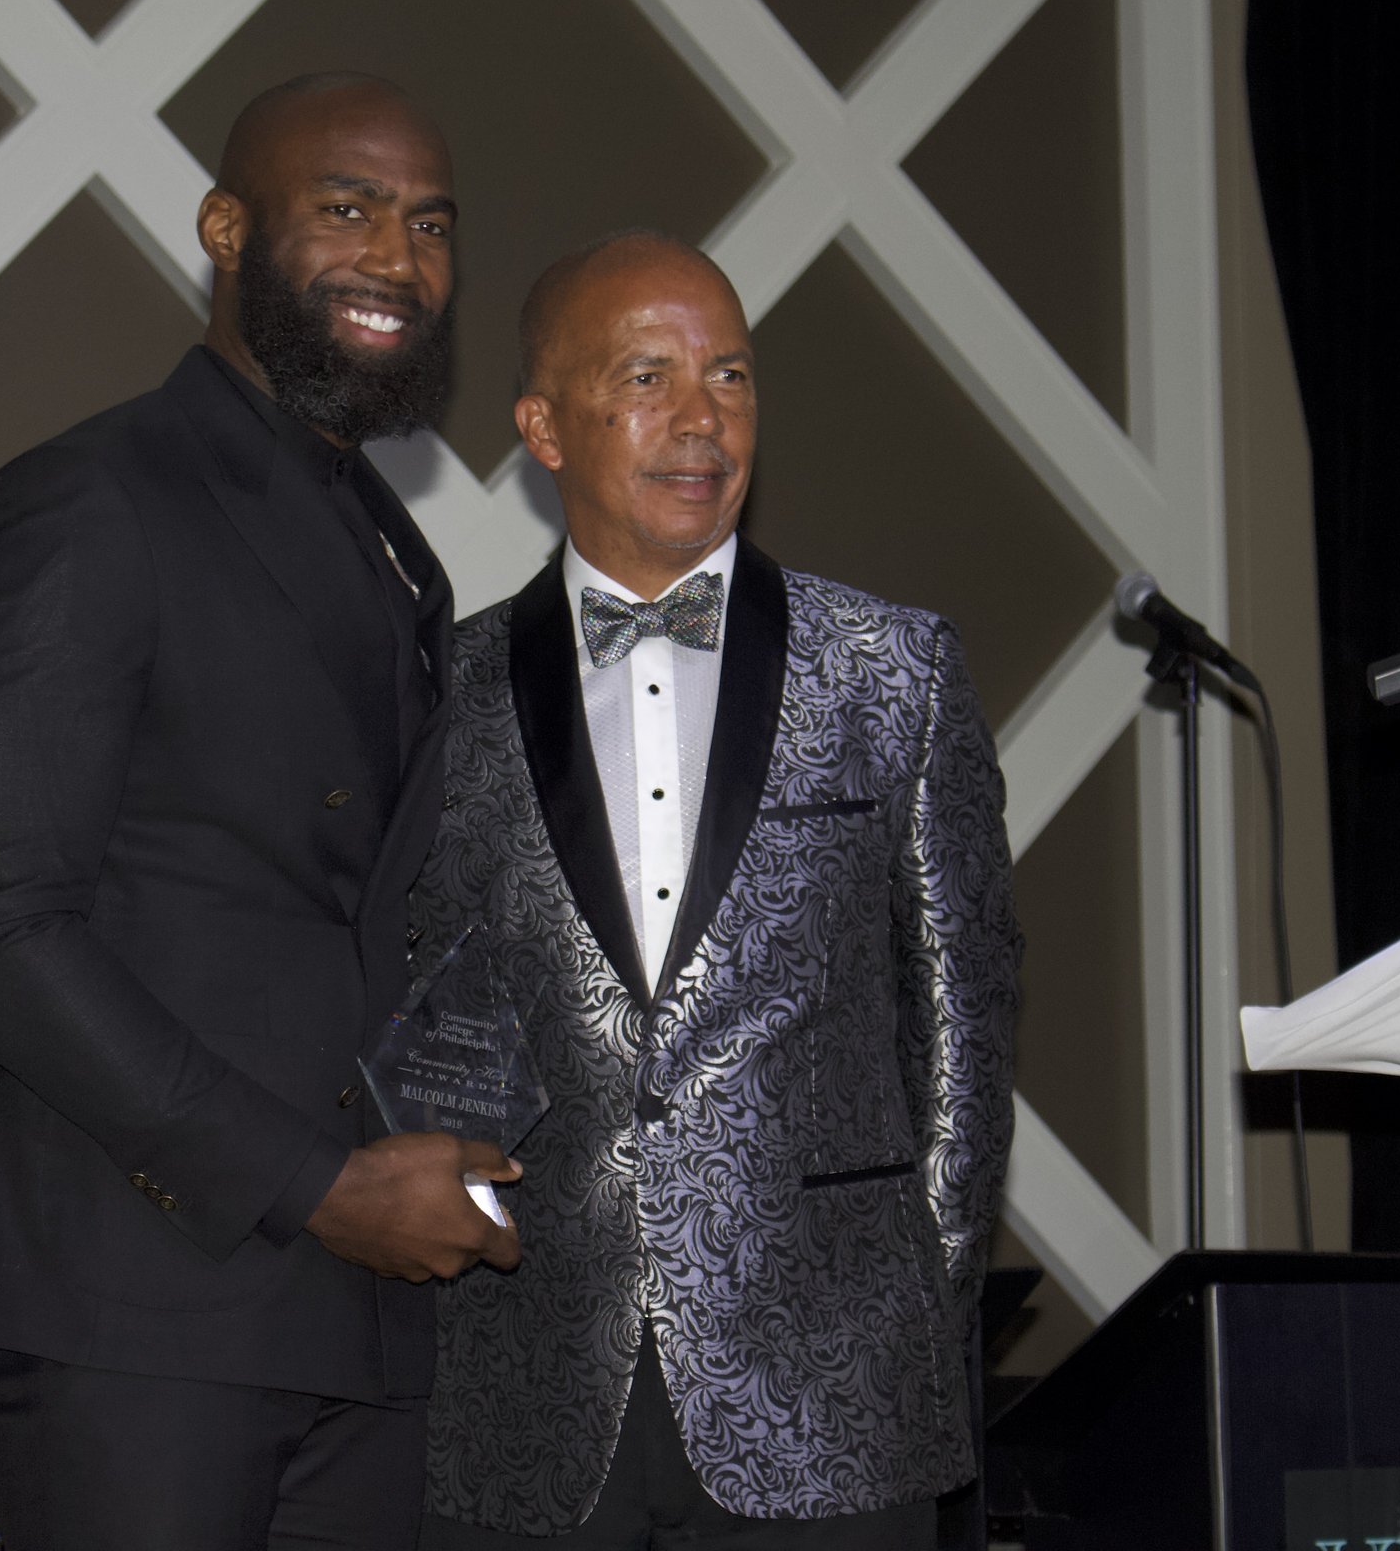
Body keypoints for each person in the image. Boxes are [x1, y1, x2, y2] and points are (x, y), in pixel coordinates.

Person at [0, 73, 521, 1550]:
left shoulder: (390, 548)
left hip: (353, 1323)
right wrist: (318, 1186)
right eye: (345, 207)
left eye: (430, 224)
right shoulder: (92, 500)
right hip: (141, 1306)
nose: (399, 256)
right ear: (226, 229)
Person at [414, 231, 1023, 1547]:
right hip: (526, 1399)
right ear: (544, 425)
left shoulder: (895, 671)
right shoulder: (435, 699)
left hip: (833, 1399)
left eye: (732, 376)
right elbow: (427, 1012)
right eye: (649, 376)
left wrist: (911, 1311)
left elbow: (967, 1031)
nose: (704, 418)